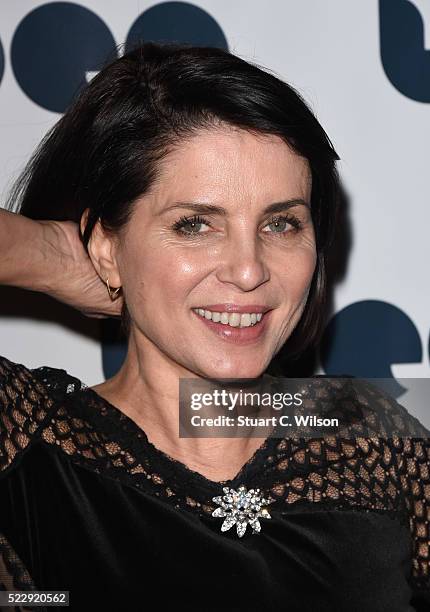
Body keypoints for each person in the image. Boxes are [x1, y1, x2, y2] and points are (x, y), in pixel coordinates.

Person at [0, 41, 429, 611]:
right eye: (196, 225)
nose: (249, 271)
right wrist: (53, 255)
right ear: (106, 243)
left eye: (281, 224)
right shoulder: (25, 440)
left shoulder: (370, 438)